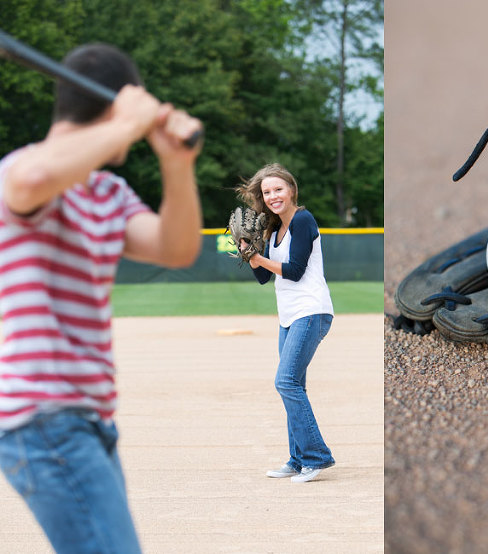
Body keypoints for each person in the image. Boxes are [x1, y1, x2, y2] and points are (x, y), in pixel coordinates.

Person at [0, 43, 203, 553]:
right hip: (42, 414)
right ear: (117, 107)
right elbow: (32, 181)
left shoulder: (108, 193)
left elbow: (176, 248)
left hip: (87, 417)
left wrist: (177, 165)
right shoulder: (24, 168)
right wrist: (126, 124)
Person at [237, 163, 335, 483]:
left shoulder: (303, 220)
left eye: (278, 189)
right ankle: (298, 459)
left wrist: (259, 256)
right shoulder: (273, 229)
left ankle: (317, 457)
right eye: (267, 192)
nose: (273, 196)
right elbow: (265, 276)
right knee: (295, 385)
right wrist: (249, 252)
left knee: (286, 382)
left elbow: (293, 270)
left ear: (292, 190)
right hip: (289, 317)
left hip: (311, 311)